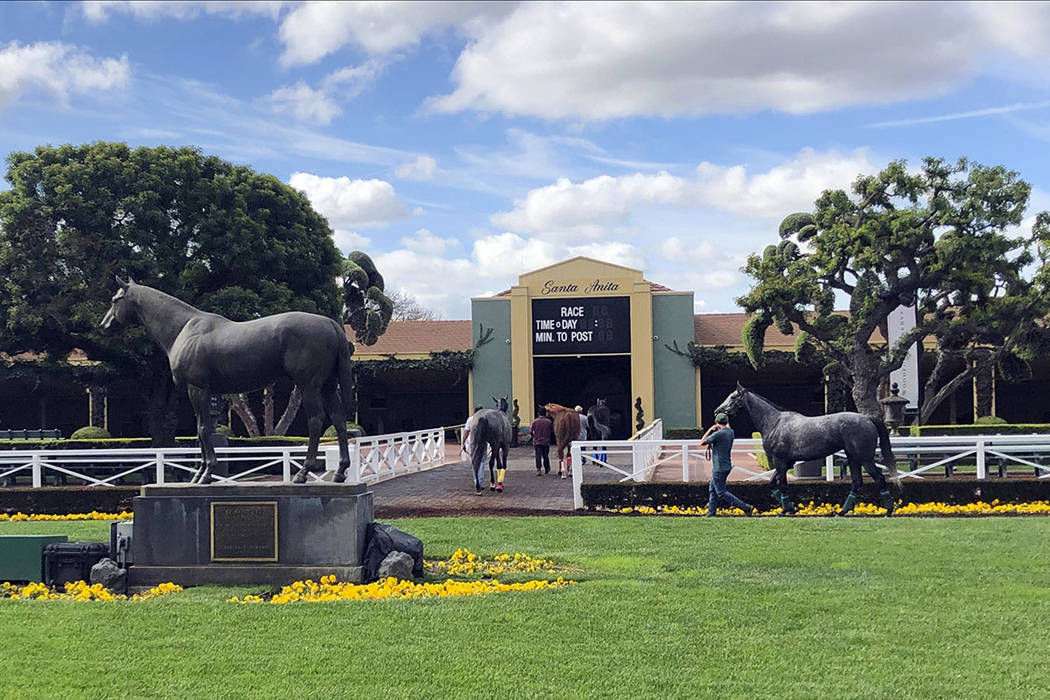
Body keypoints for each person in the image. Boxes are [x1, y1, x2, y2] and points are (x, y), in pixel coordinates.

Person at [699, 412, 755, 517]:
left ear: (716, 422)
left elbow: (702, 442)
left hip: (719, 467)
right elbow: (727, 427)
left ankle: (745, 507)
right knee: (712, 490)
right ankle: (711, 514)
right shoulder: (731, 432)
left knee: (721, 492)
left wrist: (710, 430)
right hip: (726, 466)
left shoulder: (717, 434)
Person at [462, 406, 487, 494]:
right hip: (483, 442)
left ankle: (476, 481)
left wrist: (463, 443)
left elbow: (466, 432)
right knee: (482, 461)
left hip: (473, 442)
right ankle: (480, 481)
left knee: (474, 461)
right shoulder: (485, 419)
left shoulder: (470, 419)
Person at [529, 407, 554, 475]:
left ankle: (538, 469)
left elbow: (531, 431)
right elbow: (552, 430)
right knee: (545, 455)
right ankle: (547, 468)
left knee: (538, 456)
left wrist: (533, 436)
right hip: (546, 441)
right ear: (545, 413)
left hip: (537, 441)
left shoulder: (535, 421)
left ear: (538, 413)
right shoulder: (549, 422)